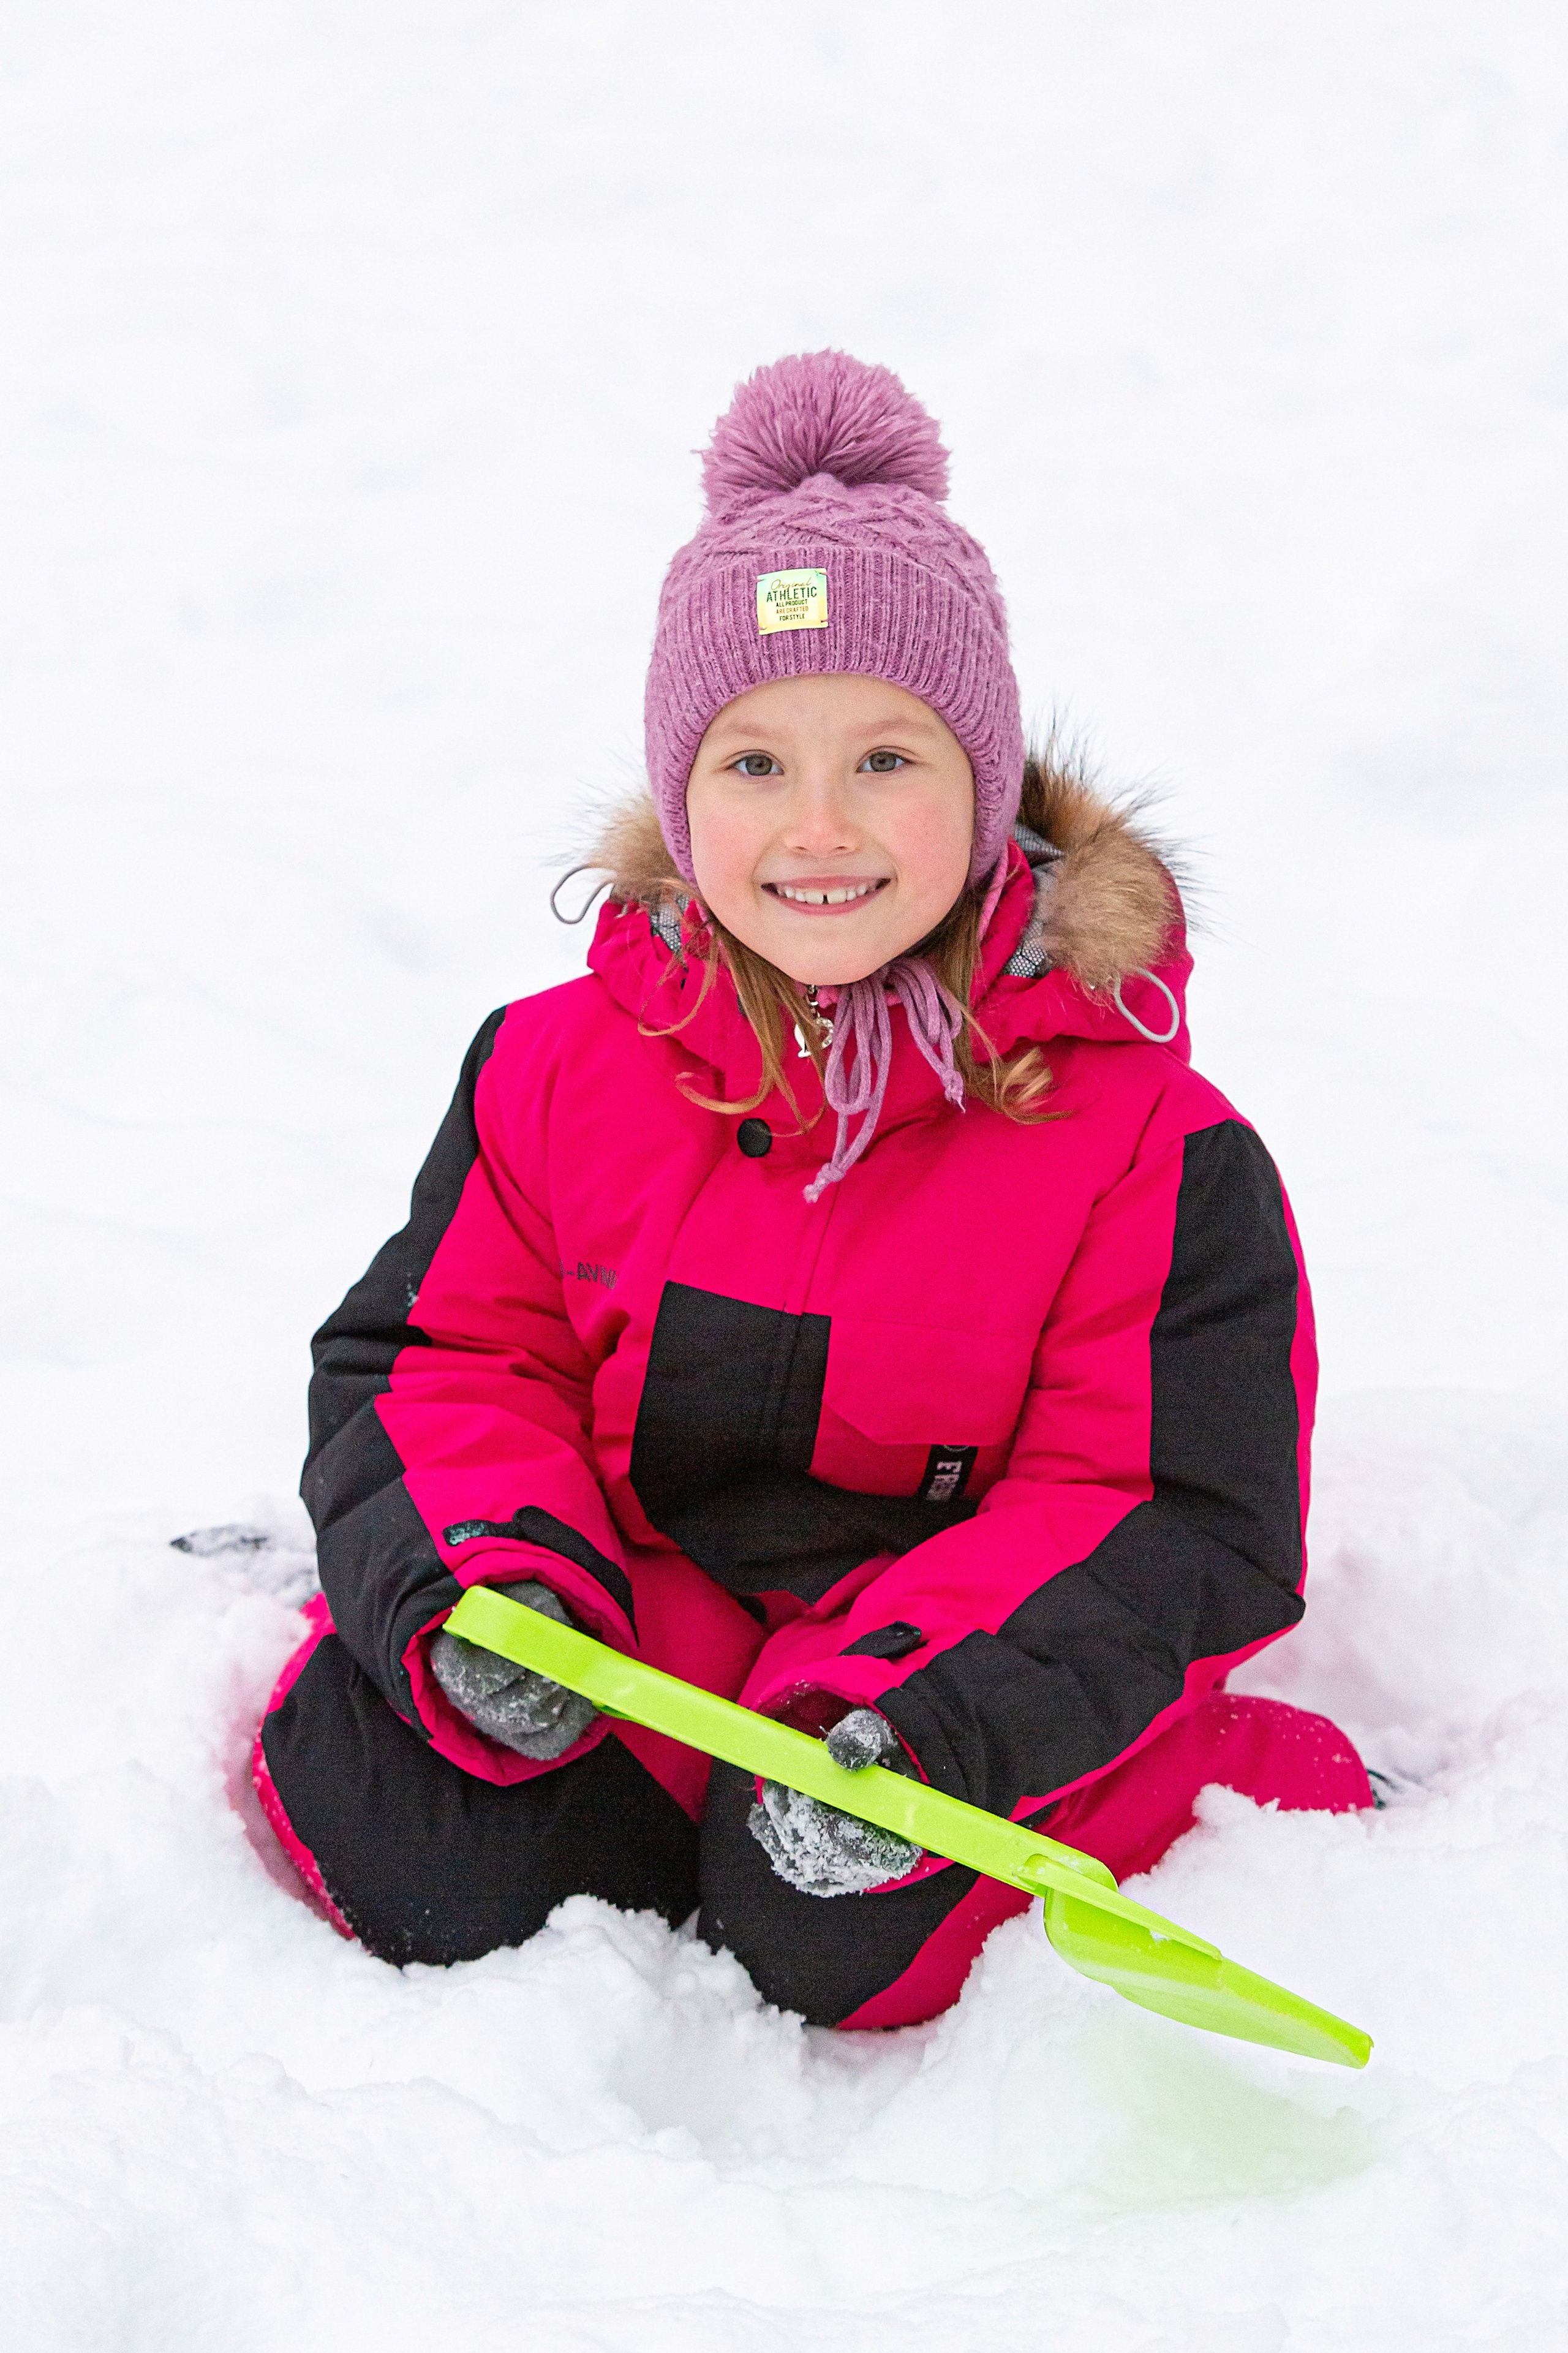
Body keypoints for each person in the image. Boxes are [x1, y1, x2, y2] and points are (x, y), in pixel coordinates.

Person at [254, 350, 1370, 2029]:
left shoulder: (1149, 1145)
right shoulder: (558, 1067)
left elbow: (1158, 1504)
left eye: (890, 761)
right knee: (412, 1844)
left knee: (834, 1934)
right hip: (660, 1644)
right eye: (755, 764)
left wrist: (925, 1716)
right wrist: (506, 1590)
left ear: (989, 791)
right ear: (681, 795)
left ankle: (1196, 1788)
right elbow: (443, 1363)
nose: (821, 828)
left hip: (946, 1674)